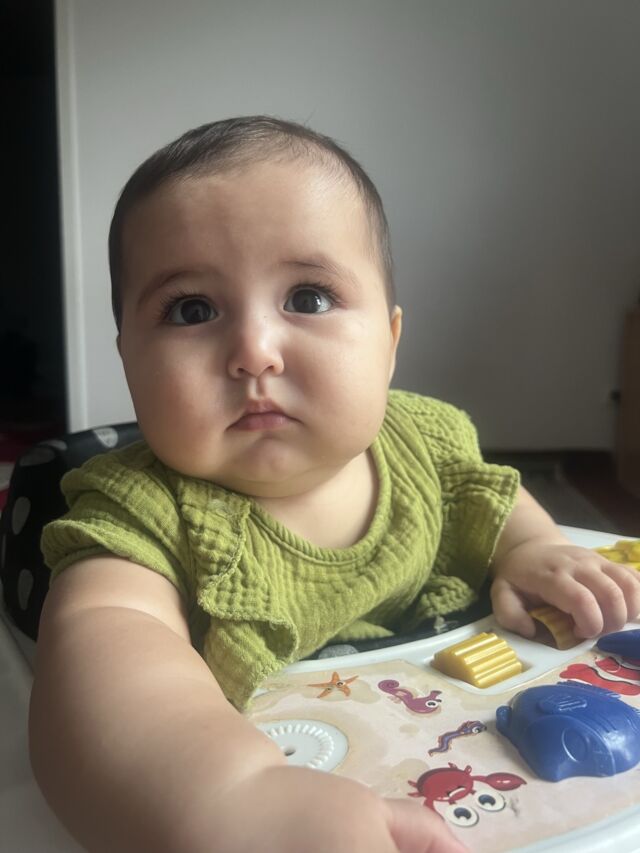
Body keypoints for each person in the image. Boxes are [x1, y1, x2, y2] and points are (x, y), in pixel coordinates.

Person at [30, 117, 640, 853]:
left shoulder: (428, 438)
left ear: (389, 342)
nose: (254, 351)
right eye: (192, 309)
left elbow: (493, 497)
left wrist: (531, 547)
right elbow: (108, 663)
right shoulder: (138, 513)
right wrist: (234, 795)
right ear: (129, 358)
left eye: (309, 298)